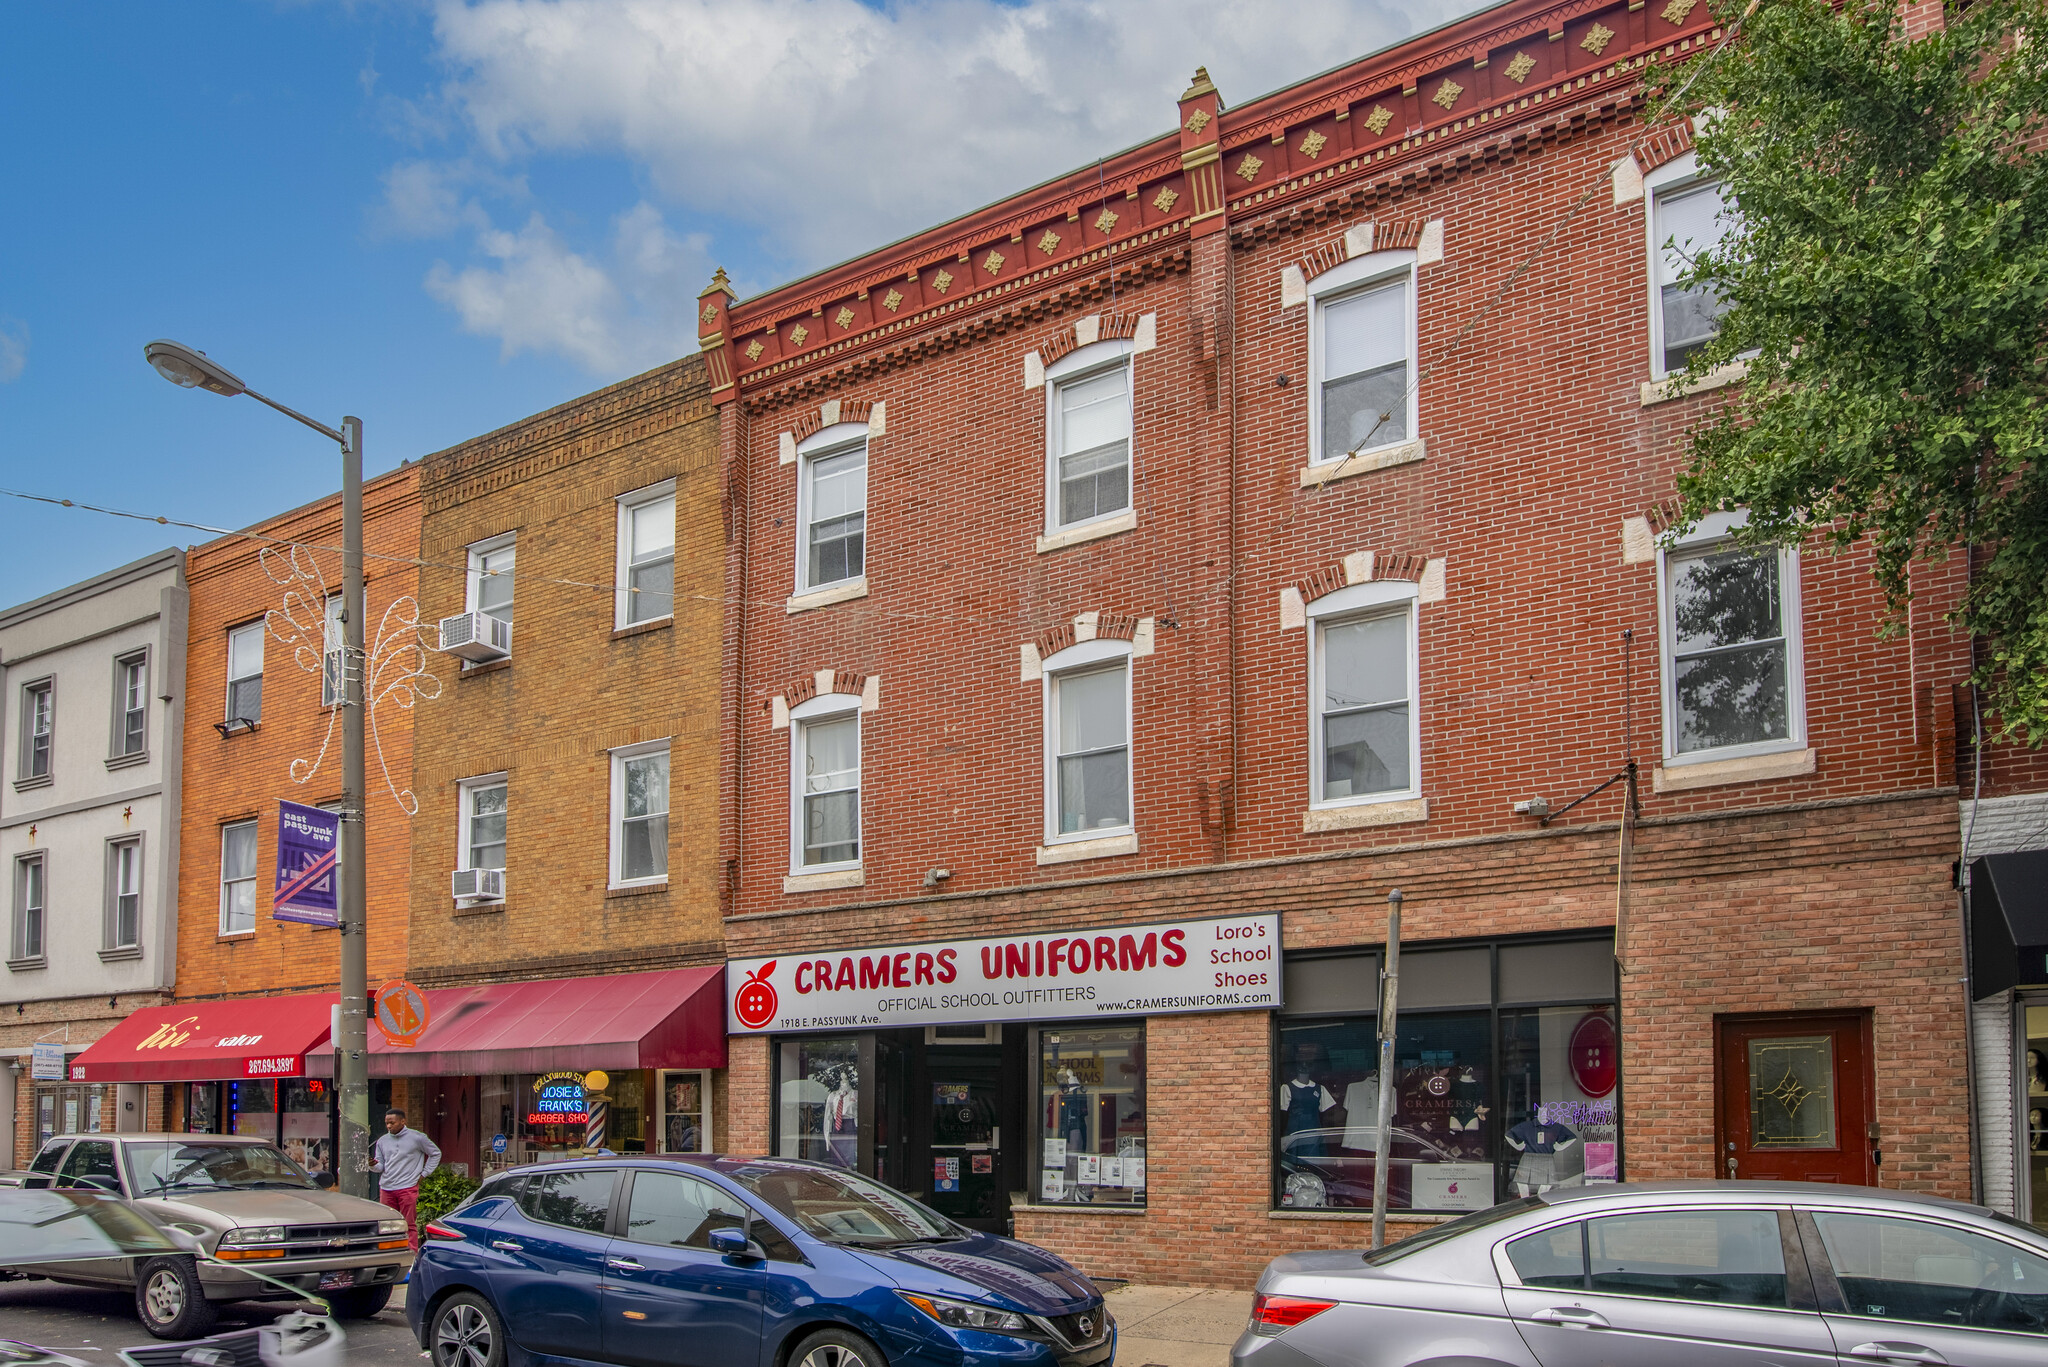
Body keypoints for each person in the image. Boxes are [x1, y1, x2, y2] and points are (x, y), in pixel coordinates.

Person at [367, 1107, 440, 1253]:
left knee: (408, 1222)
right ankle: (389, 1251)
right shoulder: (382, 1141)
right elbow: (381, 1166)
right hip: (386, 1187)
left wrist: (424, 1173)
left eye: (392, 1123)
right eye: (387, 1123)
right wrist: (373, 1165)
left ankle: (411, 1251)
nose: (388, 1126)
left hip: (407, 1186)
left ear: (403, 1121)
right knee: (387, 1222)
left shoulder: (417, 1137)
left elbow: (436, 1153)